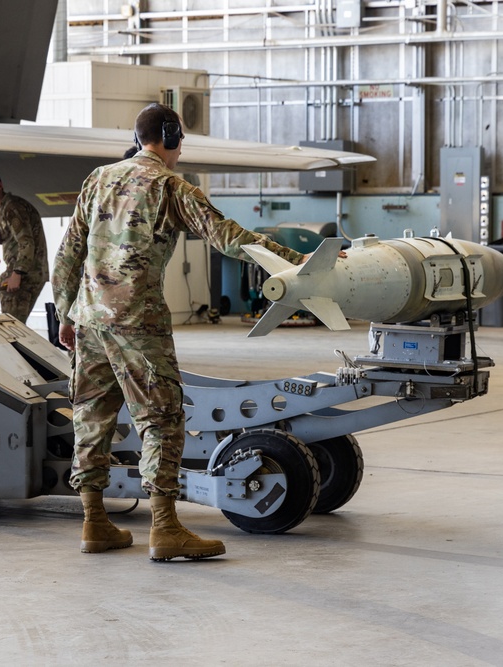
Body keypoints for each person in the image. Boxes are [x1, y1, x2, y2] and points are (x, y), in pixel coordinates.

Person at [51, 103, 310, 561]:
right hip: (137, 323)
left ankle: (95, 523)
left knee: (92, 419)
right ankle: (165, 527)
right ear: (170, 137)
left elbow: (69, 252)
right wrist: (294, 259)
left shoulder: (99, 179)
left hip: (90, 322)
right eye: (180, 140)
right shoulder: (170, 186)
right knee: (163, 420)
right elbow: (228, 235)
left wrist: (65, 315)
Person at [0, 170, 49, 324]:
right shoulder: (7, 207)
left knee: (12, 329)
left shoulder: (12, 208)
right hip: (27, 272)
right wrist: (3, 238)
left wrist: (17, 273)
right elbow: (22, 237)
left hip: (25, 274)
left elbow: (27, 242)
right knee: (13, 327)